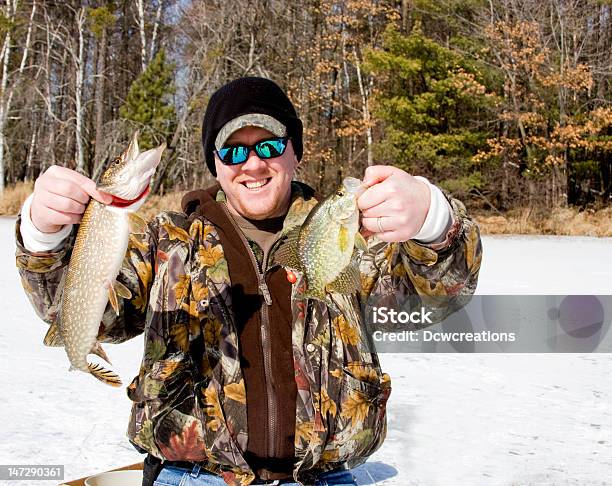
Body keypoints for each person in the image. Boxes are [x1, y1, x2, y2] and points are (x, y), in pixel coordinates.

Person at [15, 77, 482, 486]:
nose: (252, 164)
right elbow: (82, 312)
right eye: (234, 150)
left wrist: (432, 220)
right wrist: (44, 235)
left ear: (295, 151)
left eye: (269, 145)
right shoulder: (168, 239)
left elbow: (433, 295)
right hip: (193, 476)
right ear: (215, 163)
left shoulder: (344, 229)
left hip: (324, 476)